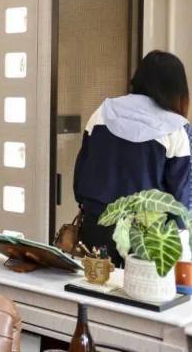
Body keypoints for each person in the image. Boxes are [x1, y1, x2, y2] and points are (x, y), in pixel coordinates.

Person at [74, 50, 190, 266]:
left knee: (97, 284)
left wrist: (87, 205)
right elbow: (181, 194)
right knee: (141, 287)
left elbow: (81, 170)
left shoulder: (103, 112)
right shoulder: (176, 128)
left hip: (98, 221)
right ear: (177, 88)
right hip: (149, 231)